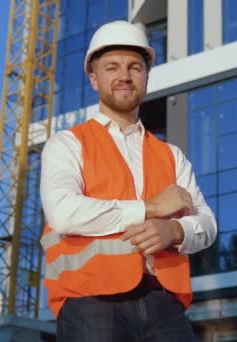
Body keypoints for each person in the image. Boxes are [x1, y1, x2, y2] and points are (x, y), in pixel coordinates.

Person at [39, 20, 217, 341]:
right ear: (94, 78)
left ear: (146, 77)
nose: (124, 76)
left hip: (164, 303)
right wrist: (151, 208)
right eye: (112, 67)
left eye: (135, 67)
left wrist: (174, 230)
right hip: (89, 303)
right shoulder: (67, 144)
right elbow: (63, 213)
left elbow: (207, 224)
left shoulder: (171, 155)